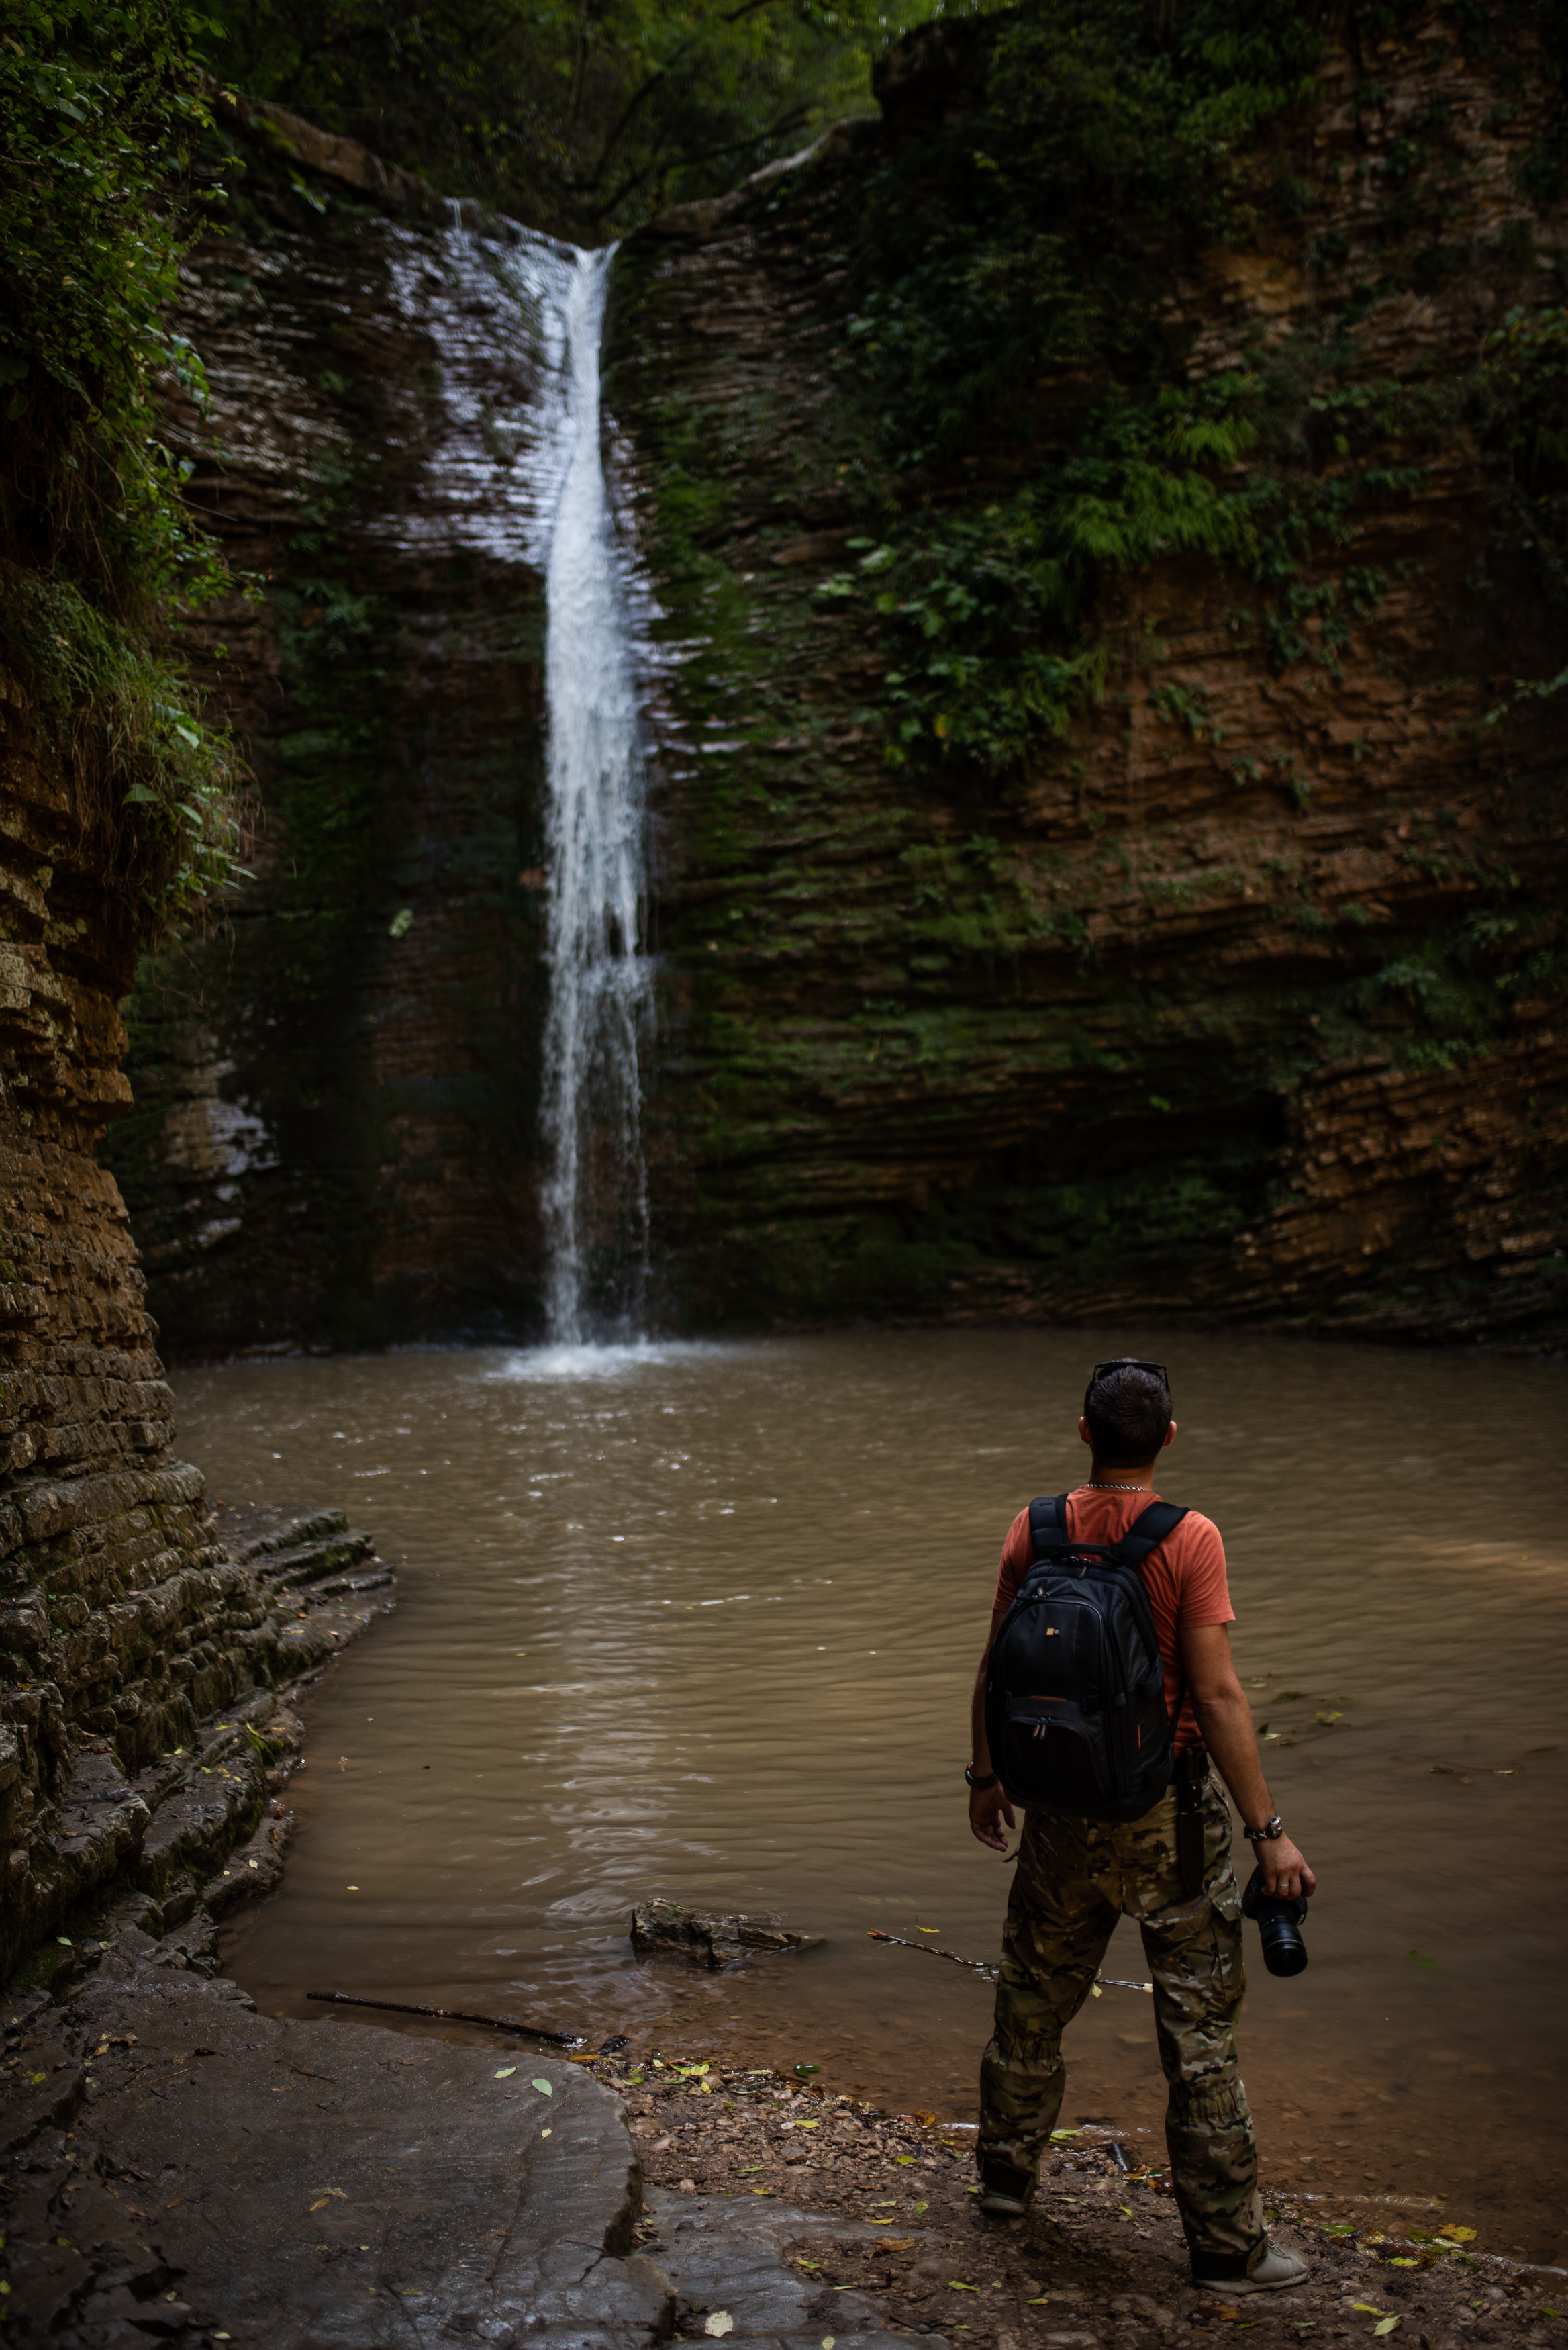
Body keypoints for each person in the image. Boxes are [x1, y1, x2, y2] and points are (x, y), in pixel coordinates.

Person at [965, 1358, 1316, 2297]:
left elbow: (995, 1670)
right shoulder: (1189, 1538)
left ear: (1082, 1432)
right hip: (1170, 1819)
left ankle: (1004, 2185)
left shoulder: (1034, 1528)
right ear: (1167, 1439)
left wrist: (986, 1779)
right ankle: (1226, 2247)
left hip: (1057, 1812)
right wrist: (1268, 1830)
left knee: (1031, 2003)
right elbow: (1218, 1693)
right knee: (1197, 2032)